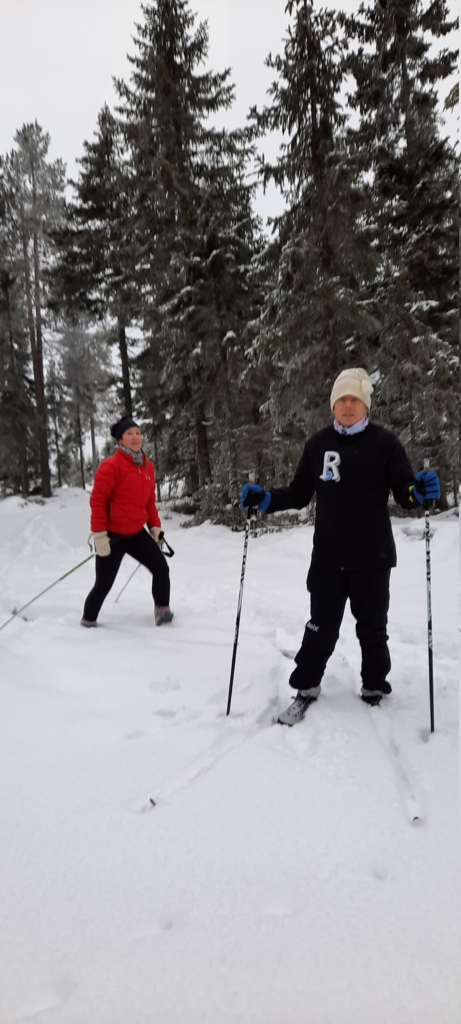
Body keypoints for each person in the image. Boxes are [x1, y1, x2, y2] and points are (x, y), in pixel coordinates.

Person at [240, 368, 441, 725]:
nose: (348, 406)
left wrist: (419, 491)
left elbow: (405, 492)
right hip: (329, 558)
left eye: (355, 400)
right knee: (321, 626)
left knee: (372, 628)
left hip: (373, 557)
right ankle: (305, 687)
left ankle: (375, 685)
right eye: (342, 400)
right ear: (333, 405)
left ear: (366, 405)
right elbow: (299, 493)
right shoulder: (318, 444)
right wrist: (265, 499)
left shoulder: (385, 444)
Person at [81, 415, 173, 628]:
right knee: (104, 582)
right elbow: (98, 501)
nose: (135, 437)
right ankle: (88, 619)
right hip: (113, 536)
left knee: (161, 568)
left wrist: (155, 528)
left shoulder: (148, 467)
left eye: (138, 433)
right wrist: (100, 535)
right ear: (120, 440)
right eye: (129, 433)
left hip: (136, 532)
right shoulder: (111, 466)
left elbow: (149, 501)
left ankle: (162, 610)